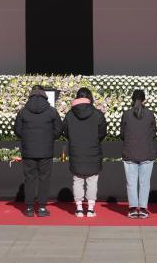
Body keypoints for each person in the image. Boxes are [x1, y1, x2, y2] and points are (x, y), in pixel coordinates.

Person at [14, 85, 62, 217]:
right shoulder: (52, 111)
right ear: (44, 94)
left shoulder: (23, 111)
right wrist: (49, 137)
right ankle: (41, 208)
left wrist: (27, 138)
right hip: (46, 150)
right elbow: (59, 130)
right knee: (44, 179)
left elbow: (17, 130)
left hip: (28, 150)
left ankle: (29, 208)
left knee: (29, 178)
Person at [63, 88, 107, 218]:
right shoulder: (97, 114)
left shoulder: (70, 115)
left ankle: (79, 208)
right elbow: (102, 133)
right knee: (92, 180)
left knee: (77, 180)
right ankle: (91, 209)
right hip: (93, 151)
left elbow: (65, 132)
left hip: (76, 151)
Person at [120, 89, 156, 219]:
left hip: (130, 152)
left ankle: (133, 209)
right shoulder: (150, 114)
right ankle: (144, 209)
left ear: (132, 99)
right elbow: (153, 133)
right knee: (144, 183)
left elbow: (122, 134)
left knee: (131, 182)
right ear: (144, 100)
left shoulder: (126, 114)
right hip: (146, 152)